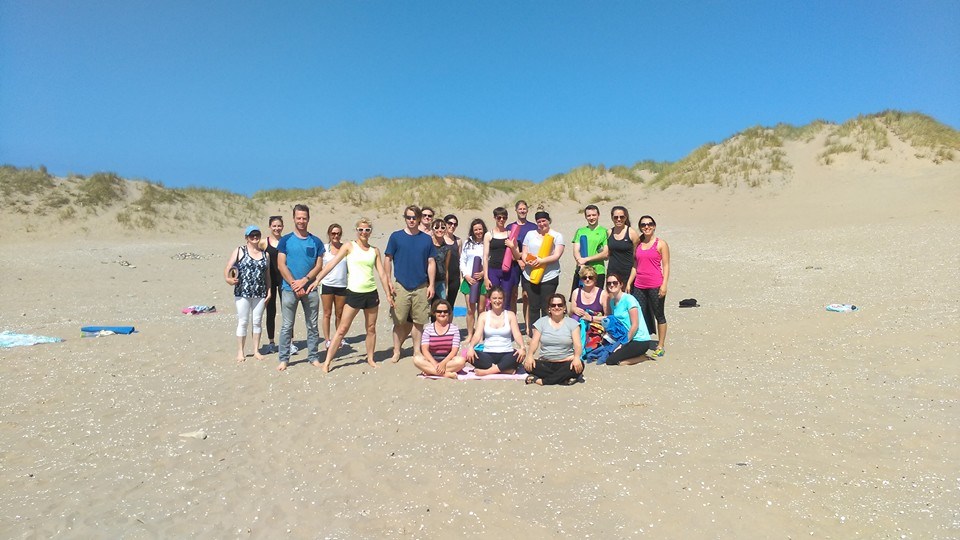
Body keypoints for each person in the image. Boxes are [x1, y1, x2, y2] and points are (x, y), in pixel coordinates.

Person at [313, 218, 393, 373]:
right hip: (354, 294)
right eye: (361, 229)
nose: (364, 232)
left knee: (371, 328)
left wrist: (388, 295)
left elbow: (382, 274)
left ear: (370, 232)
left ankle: (370, 358)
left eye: (367, 230)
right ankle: (328, 361)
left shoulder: (374, 250)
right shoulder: (349, 246)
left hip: (371, 293)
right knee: (342, 329)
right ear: (356, 230)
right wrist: (318, 279)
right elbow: (332, 263)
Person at [384, 205, 437, 363]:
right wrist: (388, 280)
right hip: (401, 285)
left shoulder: (426, 239)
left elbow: (431, 262)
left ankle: (416, 350)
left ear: (419, 218)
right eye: (408, 217)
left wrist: (431, 284)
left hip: (421, 285)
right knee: (398, 320)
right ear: (405, 218)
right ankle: (396, 351)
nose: (411, 220)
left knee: (419, 321)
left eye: (414, 217)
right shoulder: (396, 237)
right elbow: (388, 259)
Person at [276, 204, 325, 371]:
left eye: (304, 218)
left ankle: (313, 356)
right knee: (286, 326)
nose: (301, 221)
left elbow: (318, 265)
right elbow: (281, 265)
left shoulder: (316, 241)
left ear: (308, 219)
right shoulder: (285, 240)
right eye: (299, 218)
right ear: (294, 219)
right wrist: (294, 284)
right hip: (289, 289)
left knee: (312, 325)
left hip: (310, 289)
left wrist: (305, 280)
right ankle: (283, 359)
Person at [225, 225, 271, 362]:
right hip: (242, 292)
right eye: (252, 235)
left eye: (257, 234)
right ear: (247, 238)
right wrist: (228, 279)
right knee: (243, 321)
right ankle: (241, 352)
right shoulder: (239, 251)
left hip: (260, 292)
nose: (255, 237)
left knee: (257, 322)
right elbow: (228, 268)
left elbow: (267, 275)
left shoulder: (265, 254)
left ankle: (256, 350)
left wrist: (269, 291)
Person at [630, 215, 670, 358]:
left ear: (654, 226)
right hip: (639, 285)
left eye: (649, 224)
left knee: (659, 314)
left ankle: (660, 345)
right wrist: (629, 282)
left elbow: (666, 265)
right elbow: (635, 265)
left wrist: (664, 285)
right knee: (638, 314)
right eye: (643, 225)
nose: (646, 227)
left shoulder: (661, 244)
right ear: (640, 227)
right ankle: (641, 341)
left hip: (655, 284)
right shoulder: (638, 244)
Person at [463, 287, 526, 376]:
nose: (497, 301)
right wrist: (471, 347)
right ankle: (504, 369)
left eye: (500, 298)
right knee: (469, 355)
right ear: (490, 300)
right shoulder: (484, 316)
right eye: (494, 298)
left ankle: (487, 371)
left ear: (503, 300)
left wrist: (522, 347)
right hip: (488, 353)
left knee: (518, 355)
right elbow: (477, 334)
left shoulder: (510, 315)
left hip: (506, 352)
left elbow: (517, 334)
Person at [523, 293, 583, 385]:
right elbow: (534, 342)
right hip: (546, 362)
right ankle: (563, 378)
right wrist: (530, 355)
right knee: (528, 365)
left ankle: (542, 381)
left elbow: (578, 344)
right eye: (553, 305)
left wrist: (576, 357)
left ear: (564, 308)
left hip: (565, 361)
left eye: (560, 305)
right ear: (549, 308)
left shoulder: (572, 324)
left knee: (579, 365)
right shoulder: (541, 322)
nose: (556, 307)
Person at [519, 210, 565, 326]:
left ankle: (546, 331)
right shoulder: (530, 234)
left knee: (546, 305)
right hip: (530, 275)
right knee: (533, 305)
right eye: (538, 222)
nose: (541, 224)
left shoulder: (557, 236)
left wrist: (540, 261)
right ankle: (534, 332)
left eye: (543, 221)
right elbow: (524, 252)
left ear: (548, 221)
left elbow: (557, 255)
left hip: (549, 276)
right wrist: (527, 261)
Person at [603, 273, 652, 365]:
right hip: (625, 336)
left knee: (612, 361)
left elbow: (635, 324)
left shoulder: (629, 299)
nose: (612, 285)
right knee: (606, 353)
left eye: (615, 283)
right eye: (609, 283)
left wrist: (623, 343)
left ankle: (643, 357)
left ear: (621, 284)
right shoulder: (612, 302)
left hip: (640, 339)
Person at [414, 299, 466, 379]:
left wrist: (443, 363)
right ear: (434, 313)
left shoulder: (454, 329)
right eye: (439, 311)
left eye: (445, 311)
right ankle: (445, 374)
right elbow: (425, 350)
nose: (442, 314)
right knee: (417, 359)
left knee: (461, 361)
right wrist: (435, 364)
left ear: (449, 313)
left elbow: (454, 350)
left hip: (448, 359)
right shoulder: (428, 329)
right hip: (431, 359)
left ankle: (430, 372)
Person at [507, 200, 538, 335]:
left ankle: (528, 326)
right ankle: (514, 327)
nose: (522, 211)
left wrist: (526, 261)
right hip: (514, 264)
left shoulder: (533, 227)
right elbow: (508, 247)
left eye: (524, 208)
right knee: (513, 295)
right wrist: (518, 260)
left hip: (528, 264)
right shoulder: (510, 226)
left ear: (527, 210)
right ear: (516, 210)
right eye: (520, 209)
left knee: (527, 296)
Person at [484, 207, 520, 311]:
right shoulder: (489, 235)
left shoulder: (510, 234)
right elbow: (485, 257)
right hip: (493, 270)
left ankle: (506, 324)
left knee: (506, 298)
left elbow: (517, 256)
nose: (501, 220)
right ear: (494, 218)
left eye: (504, 218)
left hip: (508, 270)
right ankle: (492, 324)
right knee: (493, 298)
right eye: (499, 217)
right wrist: (486, 277)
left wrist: (512, 246)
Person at [259, 215, 285, 353]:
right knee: (271, 312)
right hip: (268, 280)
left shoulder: (286, 241)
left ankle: (290, 342)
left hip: (283, 280)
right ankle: (271, 342)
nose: (277, 228)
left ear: (283, 227)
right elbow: (252, 252)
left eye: (279, 225)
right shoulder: (264, 243)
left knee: (287, 310)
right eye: (274, 226)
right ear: (270, 227)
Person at [459, 218, 487, 342]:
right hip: (469, 279)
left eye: (480, 229)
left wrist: (483, 273)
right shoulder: (467, 243)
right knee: (470, 309)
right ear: (472, 230)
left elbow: (489, 260)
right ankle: (470, 334)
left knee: (481, 309)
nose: (478, 232)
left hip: (482, 279)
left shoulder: (487, 243)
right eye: (476, 229)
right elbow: (462, 260)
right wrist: (466, 275)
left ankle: (479, 334)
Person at [320, 223, 348, 349]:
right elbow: (319, 265)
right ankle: (327, 340)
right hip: (327, 284)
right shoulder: (324, 249)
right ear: (329, 234)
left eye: (338, 233)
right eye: (333, 233)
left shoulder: (345, 249)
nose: (335, 236)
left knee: (340, 313)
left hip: (342, 285)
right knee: (327, 313)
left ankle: (339, 338)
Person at [570, 204, 607, 296]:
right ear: (586, 217)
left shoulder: (604, 231)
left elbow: (605, 254)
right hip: (582, 270)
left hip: (598, 271)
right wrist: (581, 263)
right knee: (578, 298)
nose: (591, 218)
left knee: (596, 299)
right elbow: (576, 250)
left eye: (594, 215)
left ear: (598, 215)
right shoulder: (580, 231)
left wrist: (586, 259)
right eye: (589, 215)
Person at [606, 206, 641, 293]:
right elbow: (607, 253)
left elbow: (637, 256)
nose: (618, 219)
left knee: (628, 302)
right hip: (612, 272)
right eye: (616, 217)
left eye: (621, 217)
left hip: (628, 273)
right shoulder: (609, 232)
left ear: (626, 217)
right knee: (612, 302)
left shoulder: (631, 233)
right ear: (612, 218)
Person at [430, 218, 454, 302]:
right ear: (432, 230)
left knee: (440, 306)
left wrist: (446, 287)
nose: (439, 230)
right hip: (426, 282)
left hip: (440, 282)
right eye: (436, 227)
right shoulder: (427, 245)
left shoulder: (447, 248)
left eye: (442, 228)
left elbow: (446, 268)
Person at [443, 214, 462, 307]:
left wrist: (461, 277)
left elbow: (460, 260)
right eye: (450, 223)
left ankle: (449, 322)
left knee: (450, 305)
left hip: (454, 277)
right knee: (439, 304)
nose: (452, 226)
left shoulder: (458, 240)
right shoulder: (439, 239)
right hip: (441, 277)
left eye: (455, 224)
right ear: (445, 224)